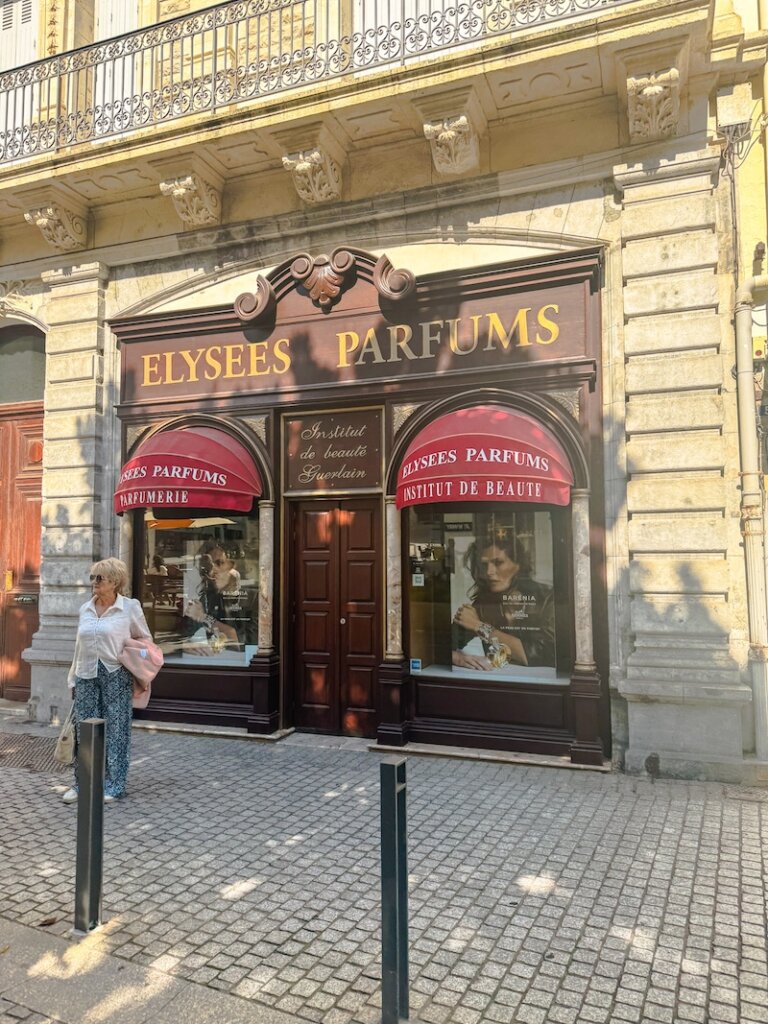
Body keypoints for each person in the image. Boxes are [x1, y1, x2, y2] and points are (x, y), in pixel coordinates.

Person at [62, 558, 154, 804]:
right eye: (92, 577)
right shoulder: (86, 609)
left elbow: (146, 641)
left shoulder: (129, 608)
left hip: (116, 674)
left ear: (114, 582)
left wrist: (131, 656)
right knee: (85, 731)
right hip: (86, 674)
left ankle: (114, 785)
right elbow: (78, 647)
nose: (94, 583)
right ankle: (83, 784)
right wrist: (72, 677)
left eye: (99, 578)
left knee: (116, 731)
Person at [452, 536, 555, 672]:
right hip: (496, 681)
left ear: (518, 565)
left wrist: (479, 626)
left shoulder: (547, 597)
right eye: (484, 565)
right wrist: (457, 658)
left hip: (540, 684)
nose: (489, 572)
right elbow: (440, 645)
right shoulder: (483, 603)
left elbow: (543, 654)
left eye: (498, 562)